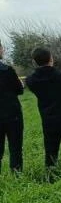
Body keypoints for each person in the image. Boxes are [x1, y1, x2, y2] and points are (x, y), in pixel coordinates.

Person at [26, 47, 61, 175]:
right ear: (51, 58)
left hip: (49, 120)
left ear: (34, 62)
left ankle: (51, 177)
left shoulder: (31, 80)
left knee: (51, 152)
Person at [0, 41, 24, 174]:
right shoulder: (7, 71)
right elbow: (19, 90)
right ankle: (17, 176)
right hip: (12, 114)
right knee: (15, 148)